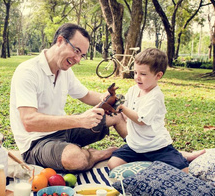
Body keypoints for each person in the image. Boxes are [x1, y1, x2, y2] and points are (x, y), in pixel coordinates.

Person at [10, 23, 127, 172]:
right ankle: (98, 154)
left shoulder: (64, 70)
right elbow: (29, 122)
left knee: (117, 116)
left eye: (82, 55)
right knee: (75, 158)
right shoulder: (28, 71)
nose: (78, 59)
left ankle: (140, 151)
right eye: (76, 50)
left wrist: (108, 99)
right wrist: (79, 120)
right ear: (60, 41)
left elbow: (87, 95)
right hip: (35, 143)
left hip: (64, 131)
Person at [107, 48, 205, 173]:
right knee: (113, 164)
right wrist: (114, 101)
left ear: (158, 75)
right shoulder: (133, 90)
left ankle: (182, 156)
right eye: (135, 72)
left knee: (183, 172)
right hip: (135, 146)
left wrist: (122, 108)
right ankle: (152, 167)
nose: (137, 77)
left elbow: (140, 120)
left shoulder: (155, 96)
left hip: (157, 147)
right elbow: (124, 109)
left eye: (143, 74)